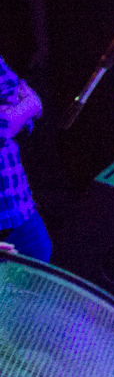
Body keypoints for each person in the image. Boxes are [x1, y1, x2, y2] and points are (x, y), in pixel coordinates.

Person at [0, 55, 49, 261]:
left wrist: (15, 118)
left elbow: (14, 93)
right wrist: (29, 107)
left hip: (20, 212)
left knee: (42, 276)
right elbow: (27, 106)